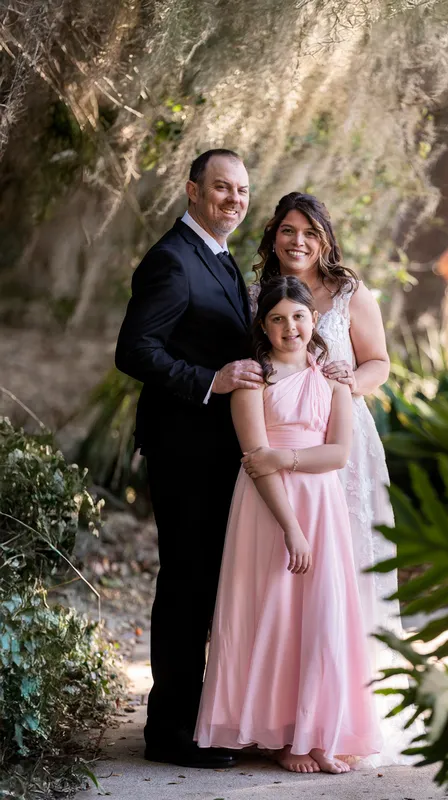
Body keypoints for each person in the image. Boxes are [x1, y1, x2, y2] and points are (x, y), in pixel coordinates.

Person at [194, 276, 382, 773]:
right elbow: (256, 461)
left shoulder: (334, 380)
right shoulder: (253, 381)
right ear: (264, 325)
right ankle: (283, 737)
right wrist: (290, 528)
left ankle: (318, 731)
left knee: (321, 618)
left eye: (298, 316)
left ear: (313, 320)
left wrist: (287, 456)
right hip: (269, 509)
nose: (289, 327)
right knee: (276, 614)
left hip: (322, 506)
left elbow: (339, 453)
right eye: (277, 318)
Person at [115, 149, 264, 768]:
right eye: (222, 188)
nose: (233, 199)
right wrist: (211, 380)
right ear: (192, 190)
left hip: (217, 452)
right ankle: (169, 732)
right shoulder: (172, 260)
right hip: (183, 449)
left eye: (242, 190)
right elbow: (134, 350)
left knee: (206, 585)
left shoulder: (221, 257)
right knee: (185, 585)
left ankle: (199, 713)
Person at [249, 193, 410, 766]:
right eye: (288, 230)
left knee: (346, 576)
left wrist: (351, 379)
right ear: (273, 235)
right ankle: (288, 714)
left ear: (325, 239)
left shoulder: (348, 292)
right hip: (286, 444)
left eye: (309, 232)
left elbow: (381, 362)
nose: (298, 242)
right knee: (291, 579)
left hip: (344, 442)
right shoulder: (259, 296)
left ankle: (344, 714)